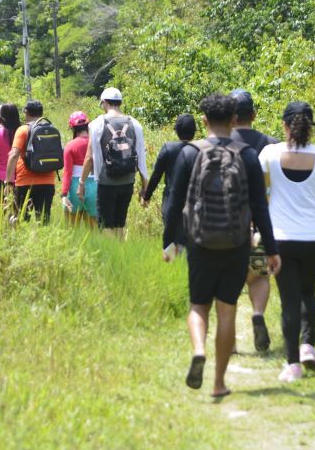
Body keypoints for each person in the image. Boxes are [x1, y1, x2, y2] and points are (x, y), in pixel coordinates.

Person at [164, 94, 281, 398]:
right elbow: (260, 207)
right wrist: (270, 248)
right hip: (237, 242)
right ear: (233, 121)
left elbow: (174, 202)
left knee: (198, 305)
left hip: (200, 241)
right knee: (227, 310)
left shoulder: (190, 153)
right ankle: (218, 383)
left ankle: (199, 350)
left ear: (203, 121)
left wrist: (172, 242)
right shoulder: (247, 156)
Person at [259, 101, 315, 383]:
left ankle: (293, 363)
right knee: (308, 292)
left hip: (281, 240)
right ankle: (308, 346)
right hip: (314, 239)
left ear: (285, 126)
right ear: (311, 126)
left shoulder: (269, 154)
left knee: (289, 301)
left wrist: (257, 229)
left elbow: (262, 195)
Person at [229, 89, 280, 353]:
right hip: (262, 223)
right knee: (259, 276)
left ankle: (232, 342)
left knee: (228, 282)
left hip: (227, 224)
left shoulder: (219, 143)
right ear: (254, 115)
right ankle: (258, 313)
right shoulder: (272, 144)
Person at [79, 87, 148, 239]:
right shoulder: (135, 124)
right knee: (120, 223)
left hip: (106, 182)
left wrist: (82, 182)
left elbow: (90, 157)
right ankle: (121, 254)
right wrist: (145, 188)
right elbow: (141, 157)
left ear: (104, 103)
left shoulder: (96, 124)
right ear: (120, 103)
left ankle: (112, 256)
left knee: (105, 225)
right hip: (128, 181)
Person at [142, 114, 196, 248]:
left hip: (170, 200)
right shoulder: (199, 150)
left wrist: (146, 196)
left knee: (171, 239)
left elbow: (156, 176)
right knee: (188, 238)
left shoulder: (168, 148)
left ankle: (172, 264)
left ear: (176, 130)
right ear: (194, 131)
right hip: (192, 201)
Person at [5, 100, 56, 224]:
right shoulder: (51, 128)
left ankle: (25, 243)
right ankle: (44, 243)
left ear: (26, 112)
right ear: (41, 112)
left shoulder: (23, 130)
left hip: (25, 182)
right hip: (47, 182)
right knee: (44, 221)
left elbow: (13, 155)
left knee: (22, 220)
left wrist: (8, 181)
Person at [61, 111, 98, 226]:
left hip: (75, 186)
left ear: (73, 128)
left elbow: (67, 172)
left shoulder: (70, 146)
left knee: (72, 227)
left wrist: (63, 194)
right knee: (93, 229)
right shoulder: (96, 143)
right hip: (95, 185)